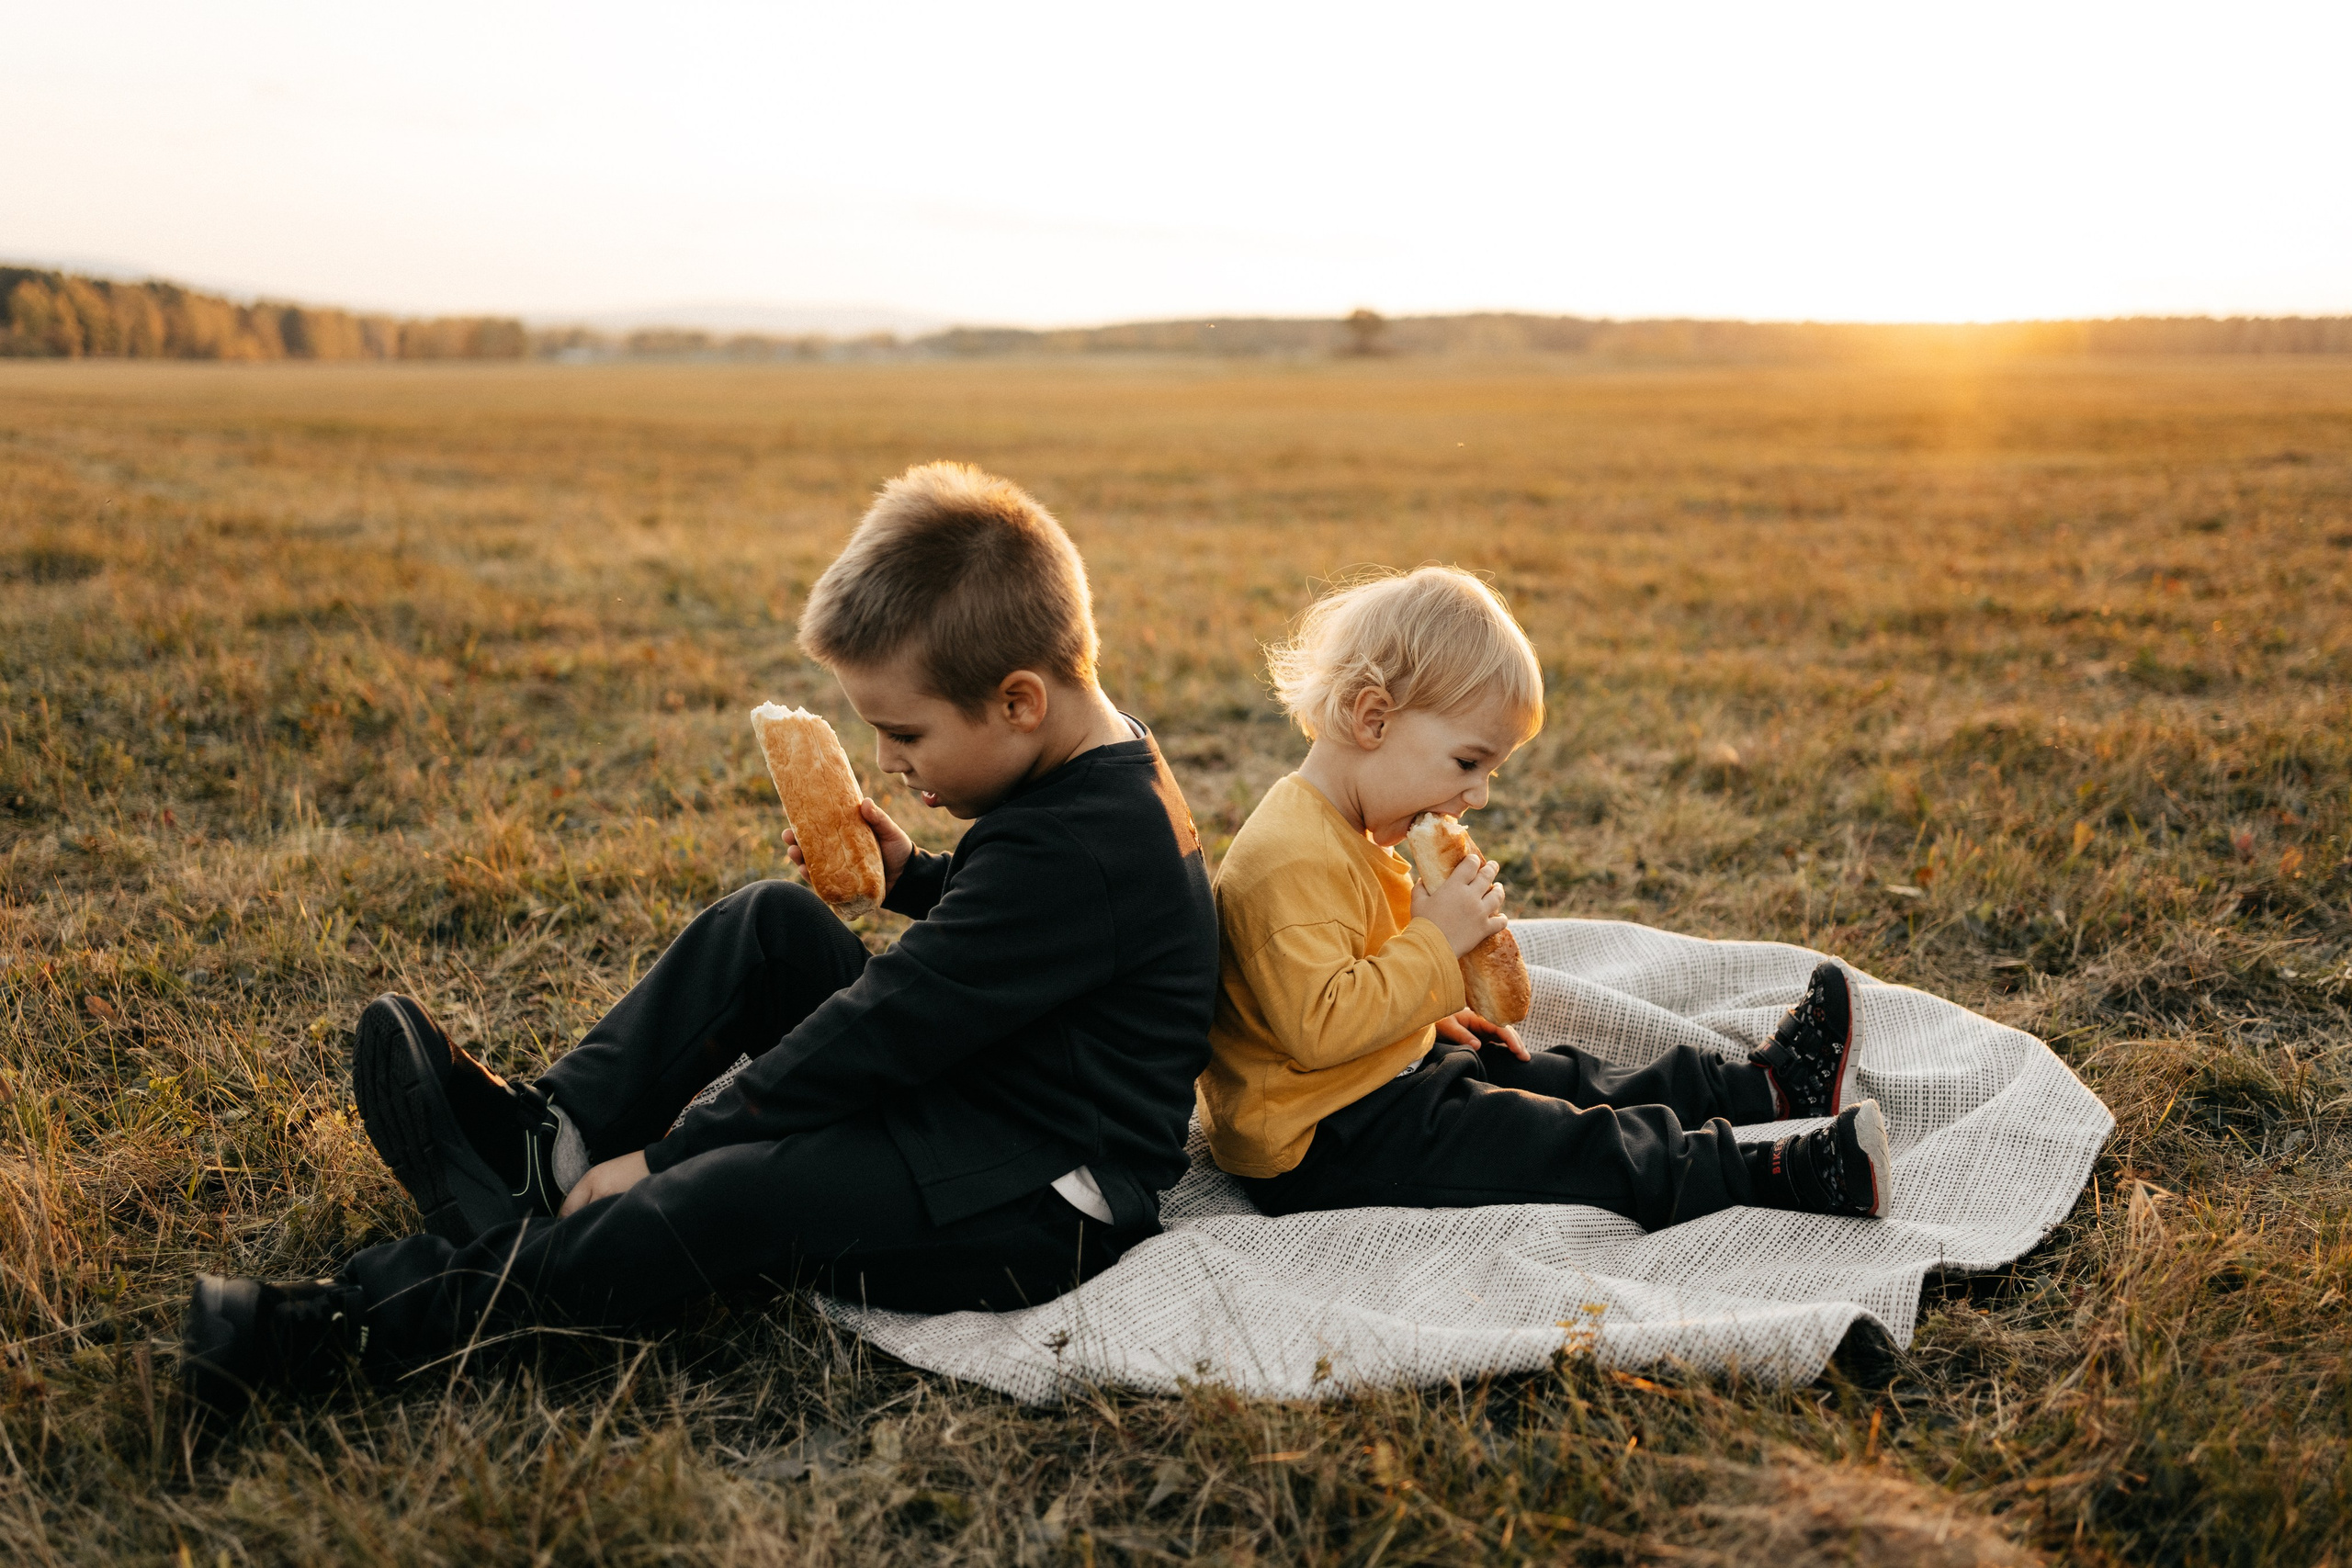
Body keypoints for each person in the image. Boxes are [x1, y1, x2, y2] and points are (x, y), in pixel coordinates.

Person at [183, 462, 1220, 1425]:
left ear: (1020, 701)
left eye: (905, 735)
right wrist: (914, 881)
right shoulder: (1095, 769)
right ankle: (544, 1149)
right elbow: (1038, 942)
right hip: (990, 1084)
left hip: (1039, 1194)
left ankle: (352, 1327)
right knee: (768, 926)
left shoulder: (1081, 845)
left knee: (731, 1193)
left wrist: (675, 1153)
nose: (886, 761)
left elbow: (887, 1027)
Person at [1196, 567, 1892, 1231]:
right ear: (1373, 719)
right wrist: (1436, 945)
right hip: (1319, 1138)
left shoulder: (1353, 827)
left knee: (1565, 1074)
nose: (1478, 794)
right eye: (1468, 763)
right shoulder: (1288, 857)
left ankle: (1763, 1090)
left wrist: (1432, 1012)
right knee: (1557, 1140)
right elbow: (1318, 1026)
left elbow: (1350, 973)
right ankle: (1776, 1172)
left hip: (1371, 1078)